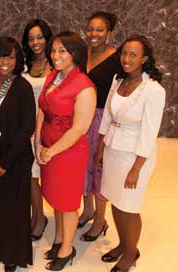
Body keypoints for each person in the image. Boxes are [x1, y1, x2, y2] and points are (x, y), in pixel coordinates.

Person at [97, 35, 165, 272]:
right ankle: (124, 244)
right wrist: (100, 147)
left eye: (133, 55)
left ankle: (131, 253)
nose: (127, 59)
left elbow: (149, 132)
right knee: (116, 201)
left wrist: (137, 168)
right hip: (114, 150)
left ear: (144, 58)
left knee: (130, 207)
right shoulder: (118, 80)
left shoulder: (153, 90)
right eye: (124, 53)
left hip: (135, 156)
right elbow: (107, 115)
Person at [36, 31, 96, 270]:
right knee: (55, 198)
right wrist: (38, 143)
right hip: (47, 147)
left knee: (68, 203)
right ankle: (60, 238)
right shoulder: (53, 76)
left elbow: (79, 128)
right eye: (53, 50)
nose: (55, 55)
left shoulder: (85, 86)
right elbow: (42, 110)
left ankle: (67, 249)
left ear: (75, 53)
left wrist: (51, 152)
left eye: (62, 50)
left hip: (69, 153)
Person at [0, 36, 35, 272]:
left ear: (18, 59)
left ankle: (12, 254)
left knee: (14, 208)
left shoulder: (23, 87)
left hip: (15, 157)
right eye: (1, 55)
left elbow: (27, 127)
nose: (5, 61)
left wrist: (5, 161)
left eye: (10, 56)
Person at [78, 11, 119, 241]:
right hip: (82, 117)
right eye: (91, 29)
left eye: (99, 30)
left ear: (109, 33)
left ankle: (101, 220)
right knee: (83, 166)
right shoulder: (83, 54)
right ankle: (88, 210)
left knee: (99, 167)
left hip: (103, 119)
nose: (93, 34)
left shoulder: (117, 58)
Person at [21, 18, 53, 241]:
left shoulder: (57, 63)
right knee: (30, 176)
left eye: (39, 37)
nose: (35, 42)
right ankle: (38, 216)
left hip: (49, 129)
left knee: (47, 177)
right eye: (31, 38)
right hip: (27, 129)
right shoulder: (24, 65)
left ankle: (44, 218)